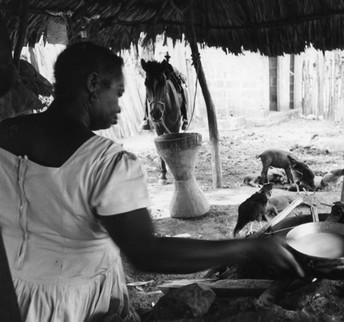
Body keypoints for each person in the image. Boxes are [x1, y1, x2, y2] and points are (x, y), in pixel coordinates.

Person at [0, 41, 304, 322]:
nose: (120, 106)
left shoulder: (5, 135)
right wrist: (248, 249)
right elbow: (146, 252)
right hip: (75, 307)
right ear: (93, 84)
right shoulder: (107, 163)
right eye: (118, 93)